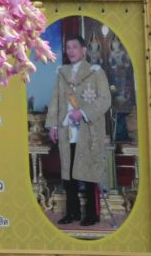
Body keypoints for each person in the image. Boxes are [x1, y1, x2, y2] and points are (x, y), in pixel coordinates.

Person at [45, 31, 114, 228]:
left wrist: (82, 112)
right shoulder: (62, 73)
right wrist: (52, 125)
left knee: (89, 174)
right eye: (68, 48)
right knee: (68, 175)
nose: (71, 51)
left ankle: (92, 214)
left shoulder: (96, 72)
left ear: (84, 50)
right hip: (67, 131)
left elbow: (105, 101)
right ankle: (72, 213)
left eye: (75, 47)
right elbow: (56, 101)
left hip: (88, 132)